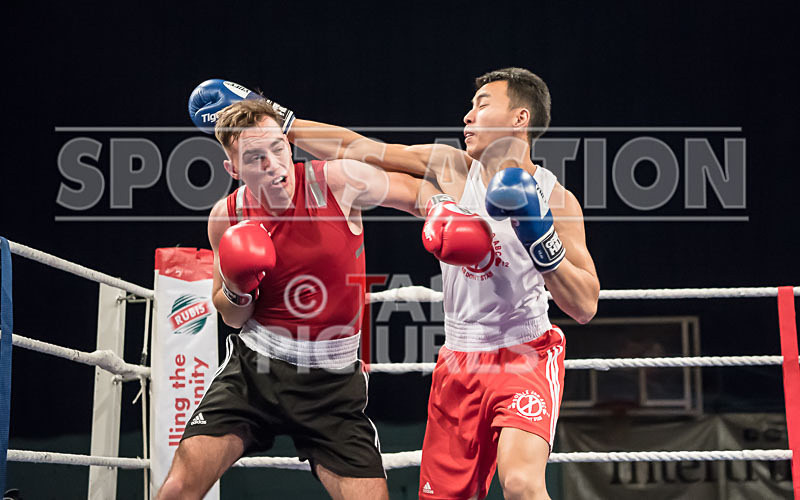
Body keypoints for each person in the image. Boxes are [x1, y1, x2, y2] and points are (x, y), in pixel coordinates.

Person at [262, 67, 601, 499]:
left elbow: (585, 304)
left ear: (520, 118)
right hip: (460, 361)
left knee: (520, 484)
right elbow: (361, 149)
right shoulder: (452, 168)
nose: (467, 116)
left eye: (482, 105)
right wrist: (277, 119)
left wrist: (542, 239)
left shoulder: (556, 199)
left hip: (525, 356)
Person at [157, 81, 493, 500]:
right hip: (254, 372)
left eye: (278, 149)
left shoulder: (336, 181)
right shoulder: (227, 216)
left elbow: (416, 191)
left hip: (331, 384)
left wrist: (442, 209)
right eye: (255, 158)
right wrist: (238, 287)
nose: (273, 165)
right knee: (177, 489)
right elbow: (231, 314)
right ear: (234, 169)